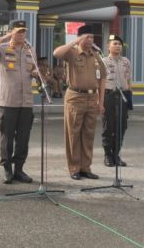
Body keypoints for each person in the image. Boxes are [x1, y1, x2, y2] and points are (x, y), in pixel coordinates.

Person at [0, 20, 36, 184]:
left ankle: (19, 169)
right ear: (11, 32)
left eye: (23, 31)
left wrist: (36, 74)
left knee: (23, 138)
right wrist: (3, 38)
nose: (21, 34)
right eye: (18, 31)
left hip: (26, 101)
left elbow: (33, 69)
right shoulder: (3, 49)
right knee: (7, 137)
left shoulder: (30, 50)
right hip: (8, 101)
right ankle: (7, 169)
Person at [53, 25, 106, 180]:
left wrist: (101, 102)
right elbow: (56, 53)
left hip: (92, 98)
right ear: (80, 37)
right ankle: (74, 168)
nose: (90, 40)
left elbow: (102, 78)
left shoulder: (96, 55)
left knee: (88, 134)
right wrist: (75, 41)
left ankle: (85, 167)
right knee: (73, 134)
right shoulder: (72, 52)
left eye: (92, 37)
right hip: (76, 97)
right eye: (86, 37)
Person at [101, 35, 132, 167]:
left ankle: (116, 154)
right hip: (109, 95)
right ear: (108, 46)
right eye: (115, 43)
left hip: (123, 96)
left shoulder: (126, 61)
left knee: (122, 126)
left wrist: (130, 95)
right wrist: (100, 101)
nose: (118, 46)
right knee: (109, 126)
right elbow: (100, 82)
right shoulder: (103, 61)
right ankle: (108, 155)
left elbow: (128, 80)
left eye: (119, 43)